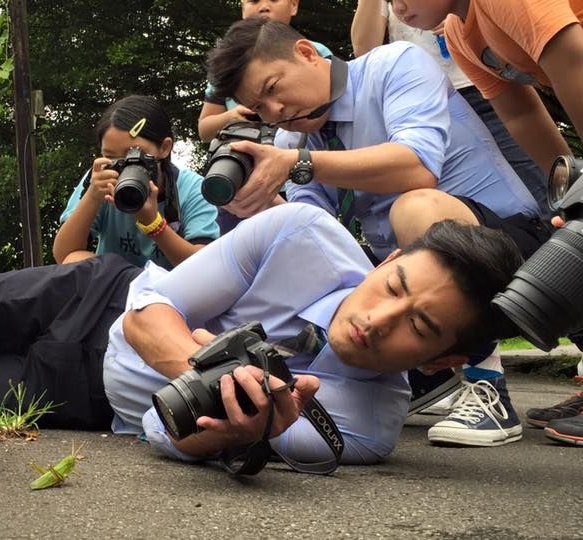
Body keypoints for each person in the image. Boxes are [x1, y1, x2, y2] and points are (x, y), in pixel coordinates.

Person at [0, 202, 524, 468]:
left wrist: (229, 437)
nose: (376, 319)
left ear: (445, 360)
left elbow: (156, 429)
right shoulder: (303, 233)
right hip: (92, 297)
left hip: (85, 398)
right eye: (394, 287)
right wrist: (208, 363)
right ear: (386, 262)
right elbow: (146, 308)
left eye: (418, 326)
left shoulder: (364, 426)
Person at [204, 17, 552, 446]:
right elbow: (319, 235)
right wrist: (260, 207)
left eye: (273, 88)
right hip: (414, 279)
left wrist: (297, 166)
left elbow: (418, 166)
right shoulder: (288, 145)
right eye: (258, 108)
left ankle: (487, 385)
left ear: (307, 53)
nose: (274, 113)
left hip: (512, 252)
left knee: (414, 208)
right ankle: (421, 378)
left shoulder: (396, 64)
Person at [389, 0, 583, 445]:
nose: (396, 6)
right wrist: (569, 193)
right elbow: (522, 114)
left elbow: (574, 58)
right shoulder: (459, 34)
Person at [350, 0, 550, 222]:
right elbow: (365, 51)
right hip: (427, 103)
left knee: (535, 176)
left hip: (483, 80)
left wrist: (459, 12)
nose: (398, 8)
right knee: (474, 198)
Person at [198, 0, 334, 235]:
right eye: (253, 1)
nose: (263, 7)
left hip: (298, 170)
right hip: (240, 175)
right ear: (242, 9)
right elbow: (204, 129)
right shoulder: (225, 74)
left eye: (272, 87)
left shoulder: (318, 52)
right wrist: (231, 117)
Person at [53, 95, 219, 270]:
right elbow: (64, 254)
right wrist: (92, 197)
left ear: (164, 148)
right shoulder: (102, 179)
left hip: (171, 291)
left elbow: (203, 269)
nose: (123, 166)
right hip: (116, 287)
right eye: (110, 156)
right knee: (74, 258)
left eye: (134, 154)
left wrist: (154, 225)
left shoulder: (192, 189)